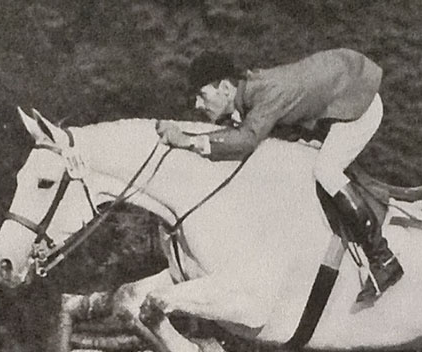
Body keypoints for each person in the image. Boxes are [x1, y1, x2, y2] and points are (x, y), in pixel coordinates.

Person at [159, 48, 403, 301]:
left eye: (201, 95)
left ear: (224, 88)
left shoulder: (267, 92)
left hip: (358, 101)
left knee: (325, 170)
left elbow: (246, 139)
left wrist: (186, 140)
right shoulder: (249, 92)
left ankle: (382, 257)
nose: (197, 105)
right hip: (337, 93)